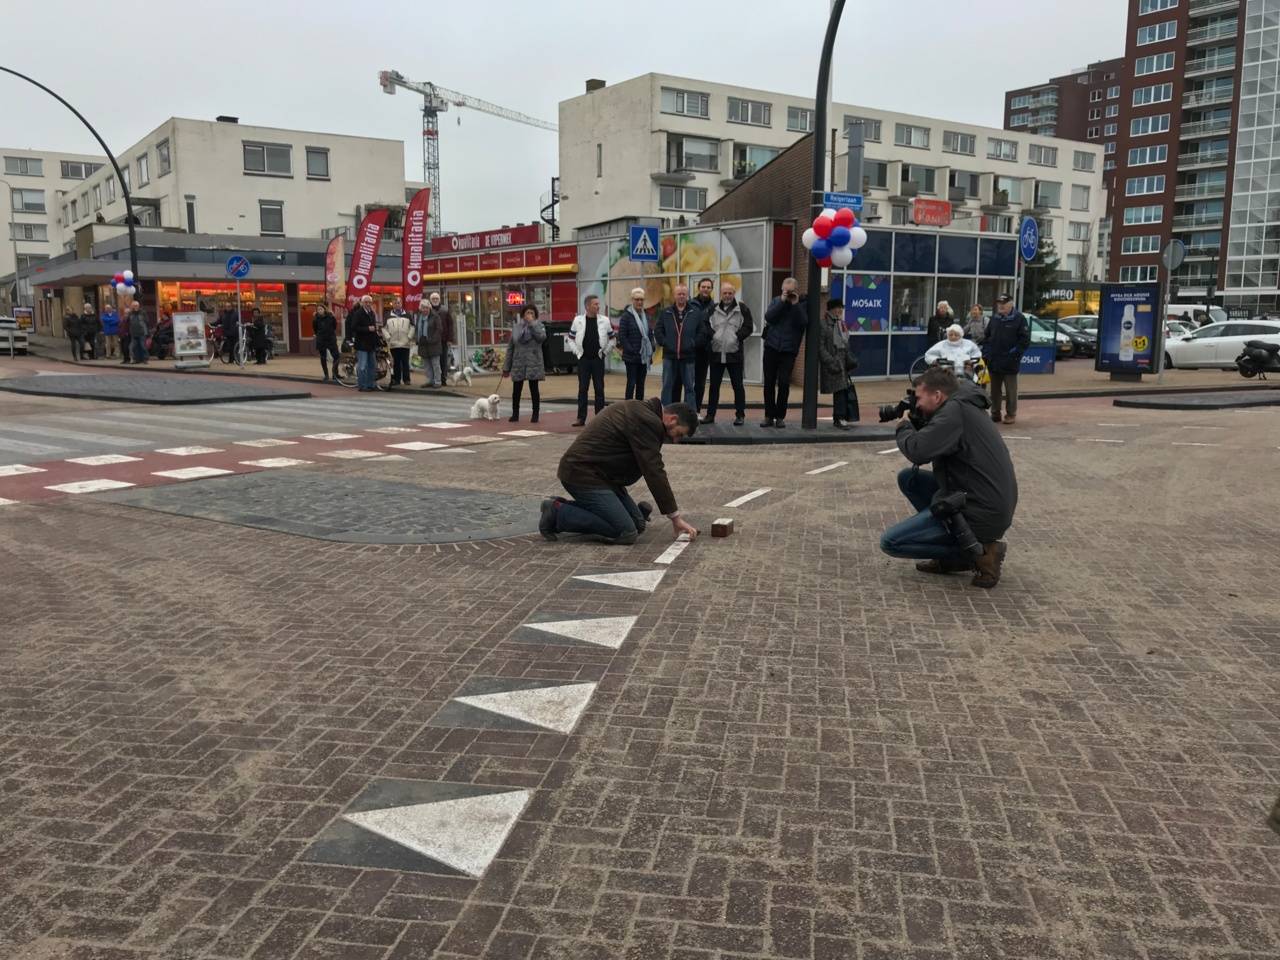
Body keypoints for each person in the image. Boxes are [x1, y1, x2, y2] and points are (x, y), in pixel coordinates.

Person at [880, 367, 1017, 589]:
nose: (916, 404)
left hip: (982, 509)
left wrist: (904, 426)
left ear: (937, 396)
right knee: (909, 479)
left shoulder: (953, 413)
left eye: (919, 398)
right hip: (981, 496)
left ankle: (981, 552)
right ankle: (954, 552)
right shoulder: (960, 404)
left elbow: (918, 451)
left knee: (891, 542)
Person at [540, 398, 700, 545]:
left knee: (638, 525)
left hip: (602, 476)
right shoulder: (647, 420)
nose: (675, 440)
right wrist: (675, 517)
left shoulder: (643, 411)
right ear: (672, 419)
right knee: (626, 532)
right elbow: (654, 470)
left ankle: (611, 513)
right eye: (679, 434)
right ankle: (557, 512)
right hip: (582, 475)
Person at [702, 280, 753, 426]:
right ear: (720, 294)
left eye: (730, 293)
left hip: (734, 353)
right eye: (725, 293)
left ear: (734, 293)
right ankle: (710, 415)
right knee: (714, 387)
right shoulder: (712, 309)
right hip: (716, 353)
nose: (727, 295)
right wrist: (714, 336)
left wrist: (736, 337)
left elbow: (748, 326)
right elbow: (705, 324)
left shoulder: (742, 309)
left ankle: (740, 415)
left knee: (738, 386)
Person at [761, 277, 807, 428]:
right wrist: (782, 301)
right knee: (769, 383)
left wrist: (795, 304)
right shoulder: (776, 301)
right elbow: (769, 317)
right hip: (771, 347)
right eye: (786, 290)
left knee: (784, 383)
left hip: (788, 350)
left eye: (791, 290)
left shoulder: (801, 304)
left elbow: (803, 323)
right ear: (782, 289)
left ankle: (780, 416)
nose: (788, 293)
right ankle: (769, 415)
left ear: (796, 290)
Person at [653, 284, 706, 411]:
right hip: (669, 356)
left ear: (687, 295)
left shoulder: (695, 313)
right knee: (667, 386)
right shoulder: (666, 312)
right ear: (674, 295)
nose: (681, 296)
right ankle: (665, 412)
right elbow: (658, 330)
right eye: (679, 294)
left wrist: (693, 343)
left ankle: (690, 413)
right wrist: (665, 342)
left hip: (688, 356)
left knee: (689, 387)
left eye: (683, 294)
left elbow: (702, 332)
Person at [981, 294, 1030, 425]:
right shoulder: (994, 318)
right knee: (994, 390)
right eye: (999, 303)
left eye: (1003, 303)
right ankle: (995, 413)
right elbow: (987, 337)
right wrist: (986, 353)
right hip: (994, 360)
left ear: (1011, 304)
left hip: (1010, 361)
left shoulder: (1019, 319)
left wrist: (1014, 355)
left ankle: (1011, 414)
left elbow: (1024, 341)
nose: (1000, 305)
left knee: (1010, 390)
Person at [567, 293, 614, 426]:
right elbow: (570, 339)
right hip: (584, 360)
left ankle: (600, 418)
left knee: (599, 389)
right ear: (587, 306)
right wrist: (577, 352)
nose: (598, 306)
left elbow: (612, 339)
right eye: (595, 304)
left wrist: (604, 353)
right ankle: (581, 418)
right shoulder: (578, 320)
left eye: (598, 304)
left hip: (598, 359)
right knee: (583, 389)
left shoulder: (605, 320)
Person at [818, 298, 859, 429]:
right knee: (840, 390)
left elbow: (846, 343)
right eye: (838, 307)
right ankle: (840, 418)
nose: (840, 310)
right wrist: (830, 361)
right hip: (832, 363)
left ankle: (840, 417)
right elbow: (820, 347)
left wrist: (848, 360)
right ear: (831, 309)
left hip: (842, 363)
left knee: (842, 390)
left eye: (842, 308)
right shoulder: (823, 324)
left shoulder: (841, 323)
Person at [503, 304, 547, 422]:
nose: (529, 315)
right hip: (519, 361)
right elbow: (511, 347)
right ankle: (515, 414)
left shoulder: (539, 326)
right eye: (527, 313)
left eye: (532, 313)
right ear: (523, 315)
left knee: (534, 389)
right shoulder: (517, 327)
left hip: (533, 361)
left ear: (535, 315)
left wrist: (532, 324)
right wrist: (506, 367)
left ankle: (535, 414)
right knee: (516, 390)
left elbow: (542, 338)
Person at [617, 288, 654, 400]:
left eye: (641, 300)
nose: (639, 302)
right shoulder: (626, 316)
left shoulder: (646, 316)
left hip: (644, 357)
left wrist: (652, 347)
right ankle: (628, 407)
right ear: (632, 300)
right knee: (631, 383)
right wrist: (632, 350)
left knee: (641, 384)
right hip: (631, 357)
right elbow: (622, 336)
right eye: (637, 299)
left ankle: (639, 406)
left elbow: (650, 334)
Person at [690, 276, 716, 409]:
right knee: (687, 382)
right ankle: (685, 409)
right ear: (698, 288)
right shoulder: (690, 305)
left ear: (712, 289)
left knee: (700, 383)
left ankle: (696, 410)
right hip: (690, 349)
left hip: (705, 351)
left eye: (708, 287)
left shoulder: (715, 307)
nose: (706, 289)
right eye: (703, 287)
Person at [348, 294, 379, 392]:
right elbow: (354, 327)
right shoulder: (358, 313)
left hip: (371, 343)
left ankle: (371, 384)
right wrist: (367, 328)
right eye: (366, 302)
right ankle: (362, 386)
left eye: (370, 302)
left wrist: (376, 336)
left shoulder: (372, 313)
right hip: (362, 344)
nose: (368, 304)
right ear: (362, 303)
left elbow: (373, 327)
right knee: (362, 366)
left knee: (372, 365)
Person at [423, 293, 454, 381]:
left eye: (436, 298)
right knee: (433, 361)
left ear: (439, 299)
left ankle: (443, 378)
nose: (435, 300)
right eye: (433, 298)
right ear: (430, 300)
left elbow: (450, 325)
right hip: (431, 340)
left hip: (443, 339)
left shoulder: (445, 309)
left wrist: (450, 339)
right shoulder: (427, 310)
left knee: (443, 360)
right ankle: (434, 379)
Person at [415, 301, 445, 388]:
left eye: (426, 308)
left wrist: (433, 339)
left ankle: (438, 381)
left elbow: (439, 329)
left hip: (433, 344)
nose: (425, 309)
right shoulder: (419, 317)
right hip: (423, 344)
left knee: (435, 364)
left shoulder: (435, 316)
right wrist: (417, 339)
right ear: (420, 308)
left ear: (429, 308)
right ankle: (430, 381)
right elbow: (417, 329)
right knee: (427, 365)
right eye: (423, 308)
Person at [383, 304, 413, 388]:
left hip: (405, 343)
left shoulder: (407, 314)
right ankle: (397, 379)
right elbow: (384, 328)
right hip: (393, 343)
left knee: (405, 362)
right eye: (395, 303)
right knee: (396, 363)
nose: (397, 305)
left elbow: (412, 327)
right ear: (393, 305)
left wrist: (409, 337)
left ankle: (406, 379)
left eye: (399, 303)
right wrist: (388, 337)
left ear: (401, 304)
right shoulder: (388, 315)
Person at [313, 304, 340, 381]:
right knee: (323, 358)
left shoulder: (330, 317)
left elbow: (334, 326)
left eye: (321, 309)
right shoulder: (315, 319)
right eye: (318, 309)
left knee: (336, 356)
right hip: (321, 340)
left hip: (331, 339)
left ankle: (335, 374)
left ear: (324, 309)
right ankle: (326, 375)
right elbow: (315, 329)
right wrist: (319, 335)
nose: (320, 311)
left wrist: (331, 334)